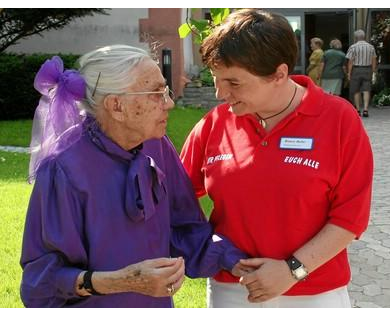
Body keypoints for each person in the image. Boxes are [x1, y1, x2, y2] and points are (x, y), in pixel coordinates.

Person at [20, 45, 247, 308]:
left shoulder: (156, 146)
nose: (170, 103)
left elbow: (185, 229)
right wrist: (120, 281)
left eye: (166, 90)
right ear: (116, 106)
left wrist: (236, 260)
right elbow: (40, 284)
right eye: (156, 93)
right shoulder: (65, 169)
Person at [180, 9, 373, 308]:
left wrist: (292, 270)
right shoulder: (215, 123)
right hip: (234, 290)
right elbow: (175, 201)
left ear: (279, 74)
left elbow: (351, 217)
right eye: (217, 79)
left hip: (316, 291)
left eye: (234, 82)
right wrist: (218, 253)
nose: (221, 93)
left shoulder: (338, 120)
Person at [346, 29, 377, 117]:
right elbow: (374, 59)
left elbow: (350, 61)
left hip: (356, 70)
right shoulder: (371, 47)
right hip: (368, 69)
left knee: (356, 90)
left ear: (356, 38)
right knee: (366, 90)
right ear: (364, 37)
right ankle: (366, 109)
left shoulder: (353, 47)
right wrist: (373, 71)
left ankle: (358, 109)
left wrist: (349, 73)